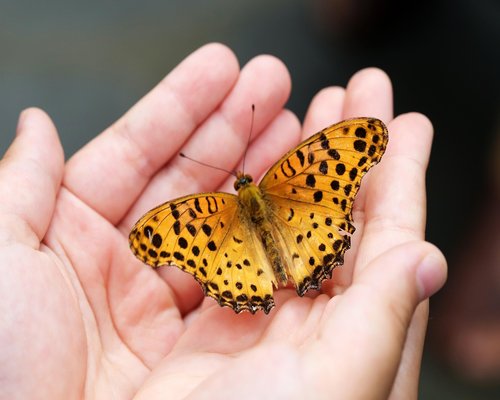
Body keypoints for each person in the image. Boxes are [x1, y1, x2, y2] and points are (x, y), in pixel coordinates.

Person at [0, 43, 446, 399]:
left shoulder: (204, 213)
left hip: (241, 267)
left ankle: (268, 285)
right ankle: (306, 269)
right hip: (310, 232)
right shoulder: (292, 171)